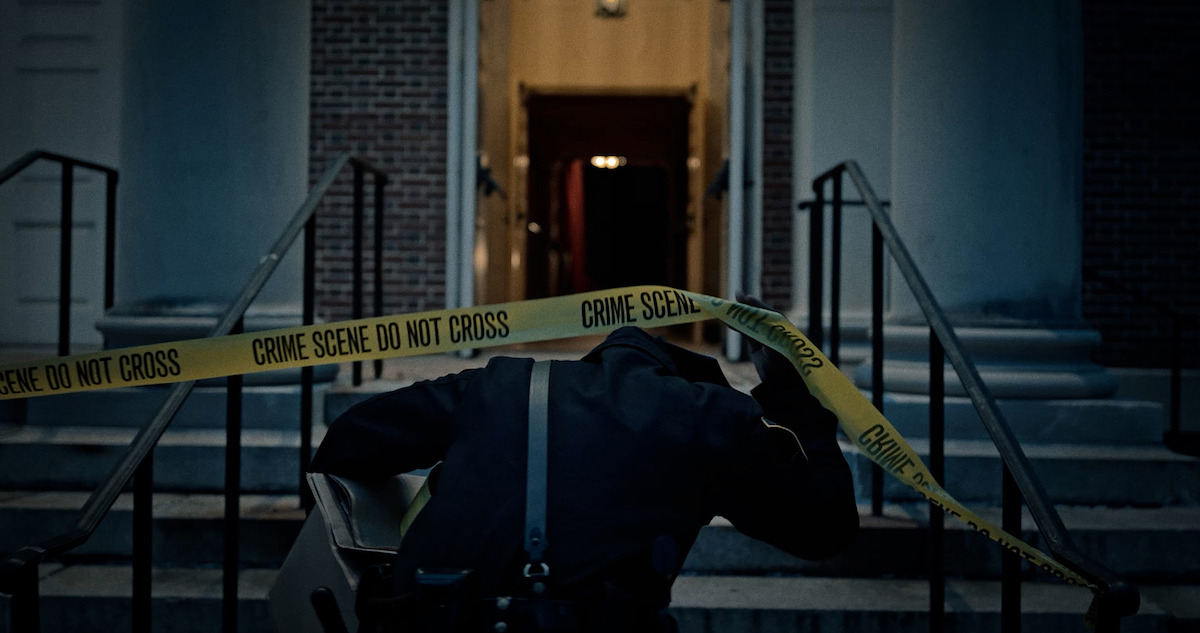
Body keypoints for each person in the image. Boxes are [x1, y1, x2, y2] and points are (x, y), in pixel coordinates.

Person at [309, 297, 859, 632]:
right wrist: (792, 394)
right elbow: (824, 527)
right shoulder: (711, 417)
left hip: (436, 618)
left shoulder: (498, 383)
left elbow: (350, 441)